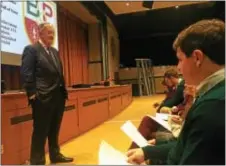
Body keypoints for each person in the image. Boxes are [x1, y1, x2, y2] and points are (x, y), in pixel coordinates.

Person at [127, 19, 225, 165]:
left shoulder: (212, 106)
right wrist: (148, 152)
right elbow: (188, 146)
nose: (178, 68)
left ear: (197, 58)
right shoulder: (214, 95)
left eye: (180, 60)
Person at [21, 23, 74, 164]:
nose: (52, 35)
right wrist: (32, 95)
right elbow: (27, 73)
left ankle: (55, 155)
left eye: (53, 33)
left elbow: (58, 73)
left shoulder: (55, 51)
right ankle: (37, 160)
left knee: (54, 129)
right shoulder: (31, 50)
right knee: (40, 131)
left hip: (58, 96)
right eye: (49, 32)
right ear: (40, 33)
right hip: (42, 97)